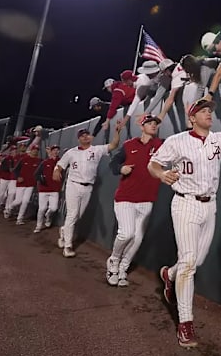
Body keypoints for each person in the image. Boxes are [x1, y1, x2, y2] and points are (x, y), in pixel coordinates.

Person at [148, 86, 221, 347]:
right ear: (192, 118)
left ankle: (169, 275)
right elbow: (153, 164)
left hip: (209, 206)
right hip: (185, 204)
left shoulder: (218, 139)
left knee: (195, 261)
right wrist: (161, 174)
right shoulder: (176, 141)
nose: (208, 114)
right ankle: (186, 323)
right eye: (203, 111)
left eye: (209, 110)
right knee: (189, 263)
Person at [105, 114, 165, 287]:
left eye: (156, 123)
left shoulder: (161, 145)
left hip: (147, 200)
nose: (154, 125)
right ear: (141, 125)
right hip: (125, 198)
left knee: (137, 239)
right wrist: (120, 168)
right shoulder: (128, 145)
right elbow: (113, 163)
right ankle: (113, 261)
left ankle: (123, 268)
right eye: (150, 123)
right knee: (126, 233)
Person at [53, 124, 123, 258]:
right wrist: (56, 171)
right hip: (73, 185)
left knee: (77, 216)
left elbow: (113, 145)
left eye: (87, 134)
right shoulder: (71, 152)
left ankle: (64, 230)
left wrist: (117, 132)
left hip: (88, 187)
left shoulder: (96, 150)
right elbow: (60, 164)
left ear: (91, 137)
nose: (85, 137)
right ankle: (68, 246)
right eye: (82, 135)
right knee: (72, 215)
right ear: (79, 139)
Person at [93, 70, 138, 137]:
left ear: (109, 86)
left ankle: (129, 137)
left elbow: (113, 106)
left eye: (107, 89)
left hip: (134, 102)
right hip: (136, 99)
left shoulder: (117, 90)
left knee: (126, 114)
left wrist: (107, 121)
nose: (108, 91)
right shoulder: (121, 85)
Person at [8, 145, 41, 225]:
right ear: (31, 150)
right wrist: (18, 177)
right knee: (18, 201)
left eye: (37, 150)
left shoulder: (39, 161)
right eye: (34, 149)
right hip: (21, 183)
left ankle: (19, 218)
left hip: (30, 184)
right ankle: (9, 208)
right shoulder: (24, 159)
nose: (35, 151)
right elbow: (15, 170)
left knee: (25, 201)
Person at [33, 145, 62, 233]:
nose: (56, 152)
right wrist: (41, 180)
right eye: (54, 150)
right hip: (44, 189)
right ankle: (38, 226)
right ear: (51, 151)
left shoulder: (61, 162)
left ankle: (48, 217)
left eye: (57, 150)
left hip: (55, 189)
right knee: (42, 208)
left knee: (53, 208)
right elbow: (36, 174)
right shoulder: (45, 162)